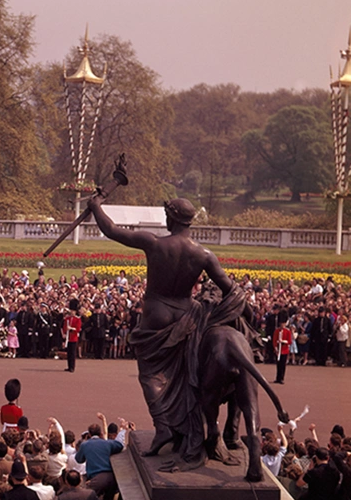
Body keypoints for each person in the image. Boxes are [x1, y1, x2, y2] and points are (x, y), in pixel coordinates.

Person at [87, 195, 250, 464]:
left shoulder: (154, 243)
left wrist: (95, 207)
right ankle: (187, 429)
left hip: (156, 314)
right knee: (186, 375)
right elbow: (230, 289)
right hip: (188, 314)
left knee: (150, 374)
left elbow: (112, 230)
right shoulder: (204, 254)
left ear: (171, 218)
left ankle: (163, 427)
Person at [272, 311, 292, 384]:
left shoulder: (287, 331)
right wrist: (276, 349)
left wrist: (283, 341)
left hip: (284, 350)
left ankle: (281, 378)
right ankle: (278, 378)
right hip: (278, 350)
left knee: (283, 365)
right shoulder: (277, 331)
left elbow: (289, 341)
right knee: (278, 365)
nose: (282, 325)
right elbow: (274, 340)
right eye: (281, 323)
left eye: (283, 323)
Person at [62, 298, 81, 373]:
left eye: (73, 311)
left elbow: (78, 329)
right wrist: (64, 333)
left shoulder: (77, 319)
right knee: (69, 353)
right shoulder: (67, 318)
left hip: (73, 338)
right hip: (68, 337)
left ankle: (72, 367)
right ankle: (69, 366)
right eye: (71, 311)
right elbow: (64, 327)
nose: (72, 312)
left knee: (73, 353)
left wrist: (71, 328)